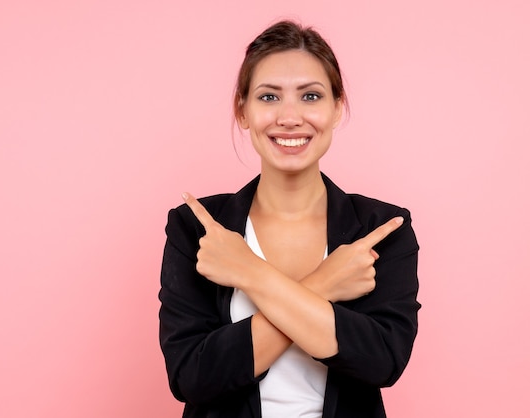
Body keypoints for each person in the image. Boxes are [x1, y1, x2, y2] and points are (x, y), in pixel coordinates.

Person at [159, 20, 420, 418]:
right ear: (242, 110)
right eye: (268, 97)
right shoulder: (197, 228)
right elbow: (192, 377)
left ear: (336, 108)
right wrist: (326, 284)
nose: (290, 117)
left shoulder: (382, 230)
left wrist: (249, 272)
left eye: (311, 96)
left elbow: (382, 363)